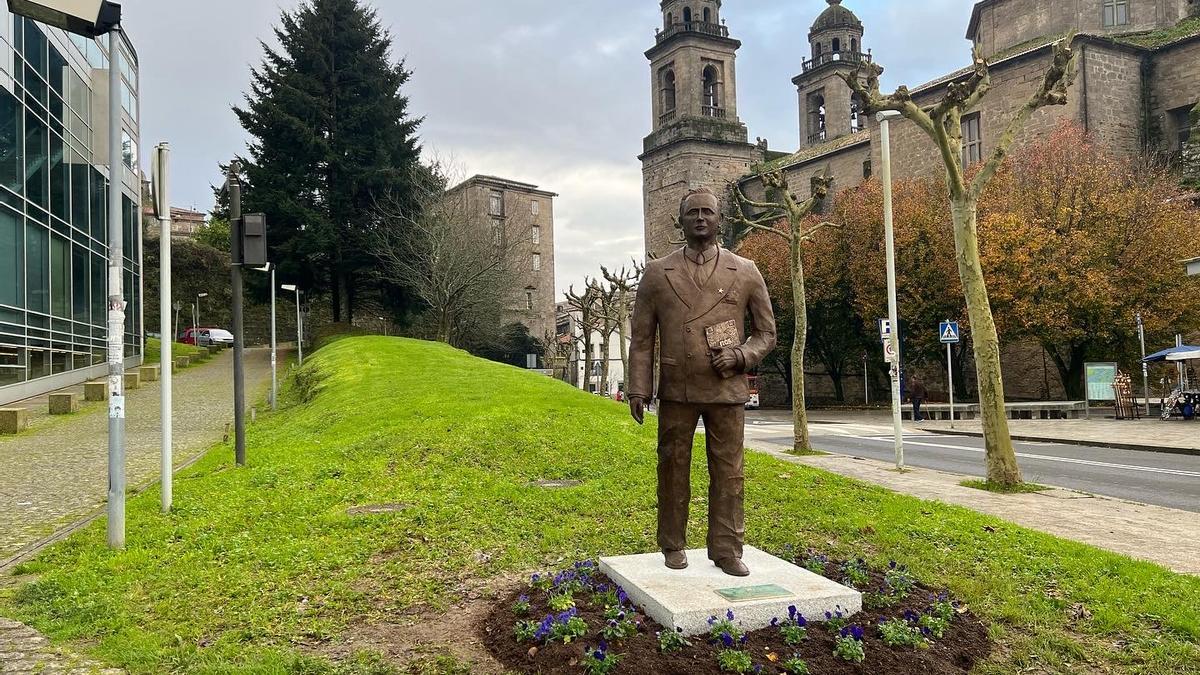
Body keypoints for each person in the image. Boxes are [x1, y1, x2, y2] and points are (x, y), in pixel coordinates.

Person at [627, 186, 776, 577]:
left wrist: (742, 355)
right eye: (692, 212)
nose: (700, 218)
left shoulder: (745, 270)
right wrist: (638, 388)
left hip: (726, 388)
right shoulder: (658, 273)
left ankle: (727, 548)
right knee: (673, 467)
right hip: (678, 387)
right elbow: (643, 339)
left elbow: (767, 333)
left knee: (729, 471)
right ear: (680, 221)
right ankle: (672, 543)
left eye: (707, 212)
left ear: (719, 219)